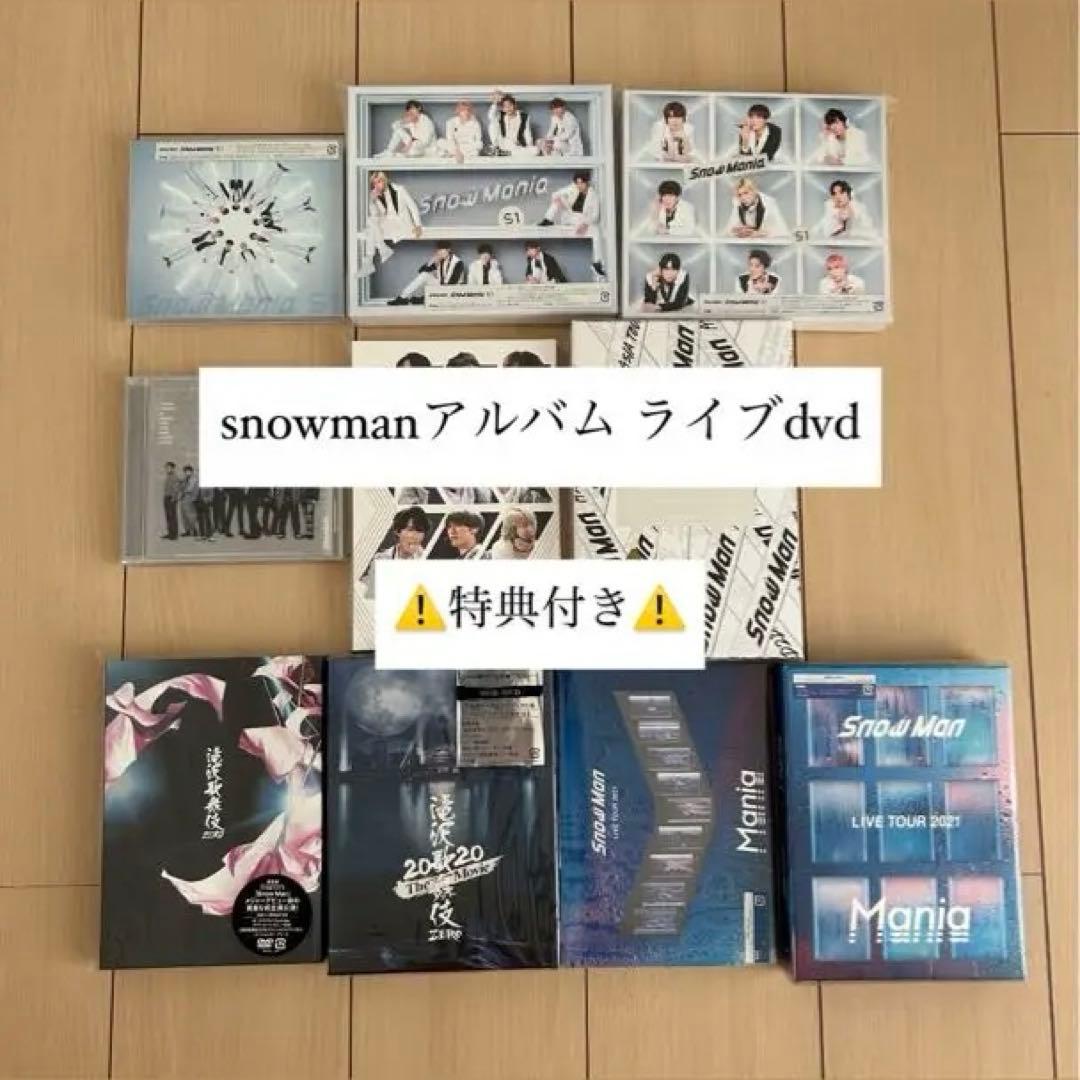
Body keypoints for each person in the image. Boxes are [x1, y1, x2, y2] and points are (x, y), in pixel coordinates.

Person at [537, 171, 604, 276]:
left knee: (596, 232)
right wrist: (557, 199)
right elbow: (555, 194)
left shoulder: (593, 195)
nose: (579, 185)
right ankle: (548, 219)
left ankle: (596, 263)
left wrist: (585, 224)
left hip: (581, 219)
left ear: (587, 182)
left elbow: (595, 215)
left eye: (581, 183)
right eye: (577, 183)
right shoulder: (573, 188)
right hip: (570, 215)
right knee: (558, 198)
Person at [366, 172, 422, 267]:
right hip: (387, 224)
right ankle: (381, 252)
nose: (377, 185)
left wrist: (418, 225)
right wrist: (372, 201)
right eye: (374, 183)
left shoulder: (399, 189)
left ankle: (380, 253)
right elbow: (376, 215)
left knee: (371, 230)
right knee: (370, 224)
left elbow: (412, 207)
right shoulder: (375, 195)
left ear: (385, 180)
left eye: (379, 181)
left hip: (401, 224)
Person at [388, 241, 465, 306]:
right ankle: (402, 298)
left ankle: (425, 299)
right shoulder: (439, 260)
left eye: (441, 250)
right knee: (425, 275)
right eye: (438, 250)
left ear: (448, 250)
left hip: (452, 291)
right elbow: (421, 271)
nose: (439, 252)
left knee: (426, 294)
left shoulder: (458, 262)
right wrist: (432, 261)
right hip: (441, 287)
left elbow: (452, 283)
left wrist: (435, 291)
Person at [488, 90, 536, 155]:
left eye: (510, 105)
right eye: (505, 107)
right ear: (503, 109)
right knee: (492, 124)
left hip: (518, 145)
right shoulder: (500, 115)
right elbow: (491, 116)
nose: (508, 108)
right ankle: (499, 150)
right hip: (504, 144)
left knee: (535, 150)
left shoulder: (524, 117)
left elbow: (527, 133)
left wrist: (529, 145)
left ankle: (506, 153)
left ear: (515, 105)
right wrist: (495, 103)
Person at [161, 461, 182, 540]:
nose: (167, 469)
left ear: (173, 468)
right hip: (167, 497)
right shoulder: (168, 476)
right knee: (168, 516)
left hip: (171, 498)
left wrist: (173, 498)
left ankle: (174, 534)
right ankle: (170, 533)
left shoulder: (175, 477)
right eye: (166, 468)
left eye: (169, 467)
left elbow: (176, 489)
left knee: (172, 516)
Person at [179, 465, 199, 537]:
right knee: (184, 516)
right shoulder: (184, 480)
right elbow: (181, 488)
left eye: (189, 471)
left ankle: (195, 530)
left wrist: (194, 499)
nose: (187, 473)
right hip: (183, 499)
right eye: (186, 471)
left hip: (190, 499)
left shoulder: (194, 480)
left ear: (192, 472)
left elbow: (195, 490)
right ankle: (187, 531)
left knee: (191, 516)